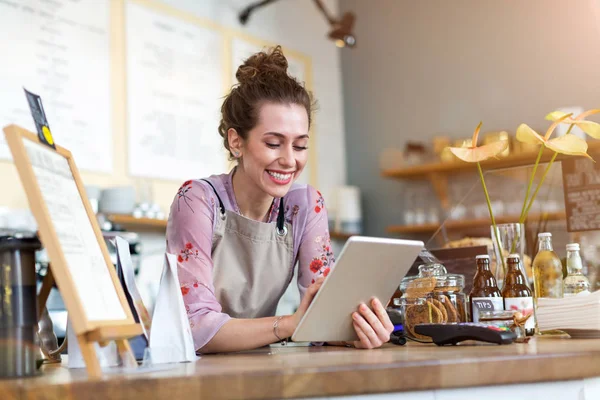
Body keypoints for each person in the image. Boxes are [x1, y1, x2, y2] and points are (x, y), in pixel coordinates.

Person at [166, 45, 393, 354]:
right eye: (274, 143)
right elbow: (195, 329)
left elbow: (323, 311)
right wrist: (289, 325)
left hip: (259, 363)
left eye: (300, 146)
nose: (289, 160)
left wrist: (352, 330)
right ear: (236, 142)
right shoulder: (197, 201)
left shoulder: (305, 205)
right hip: (190, 370)